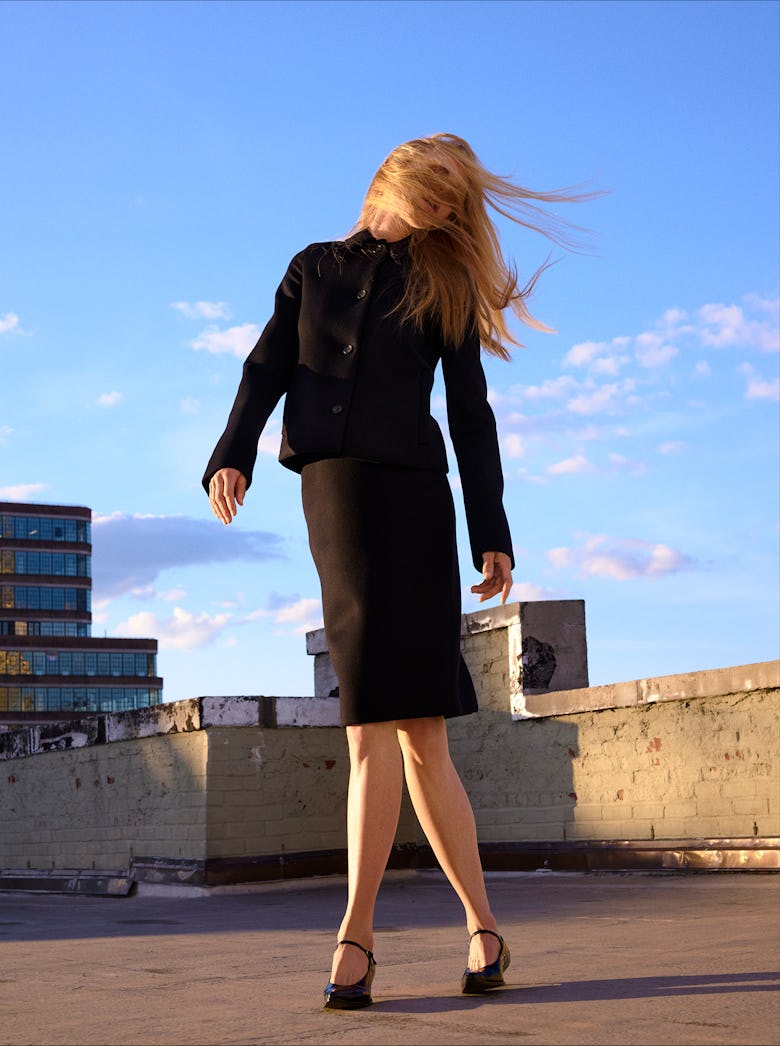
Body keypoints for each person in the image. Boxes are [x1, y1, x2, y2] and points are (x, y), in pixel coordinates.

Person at [204, 133, 592, 1009]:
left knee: (422, 735)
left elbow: (470, 411)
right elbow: (267, 365)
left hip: (419, 503)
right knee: (370, 725)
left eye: (458, 204)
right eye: (441, 194)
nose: (449, 212)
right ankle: (359, 935)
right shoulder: (311, 267)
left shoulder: (441, 282)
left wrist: (490, 528)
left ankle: (480, 930)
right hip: (336, 497)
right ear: (398, 178)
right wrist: (233, 452)